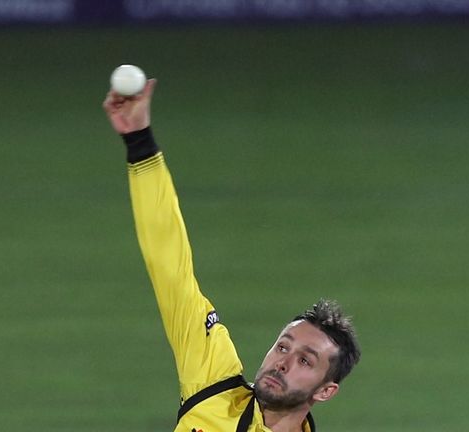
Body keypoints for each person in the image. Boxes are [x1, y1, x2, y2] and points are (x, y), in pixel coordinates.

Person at [103, 78, 361, 432]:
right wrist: (139, 142)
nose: (282, 363)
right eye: (283, 347)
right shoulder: (213, 387)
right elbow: (169, 267)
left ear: (326, 390)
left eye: (305, 360)